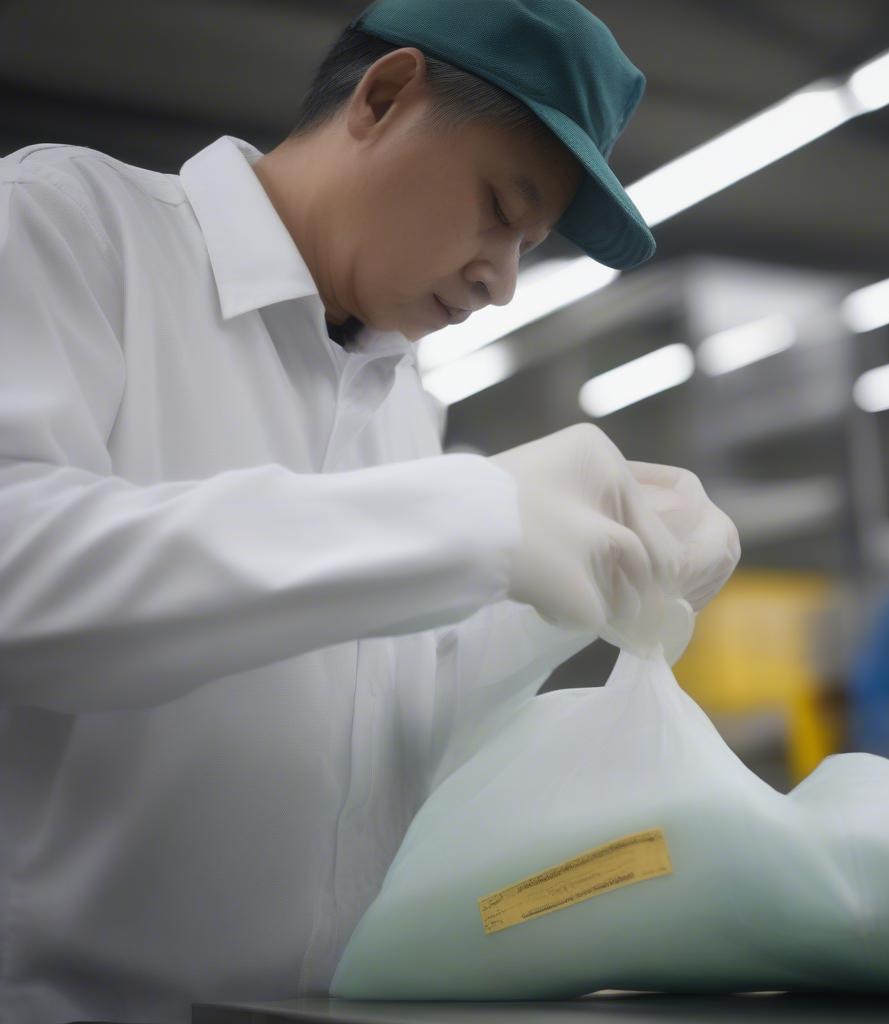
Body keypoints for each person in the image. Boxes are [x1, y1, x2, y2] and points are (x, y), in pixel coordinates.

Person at [0, 0, 739, 1019]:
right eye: (497, 205)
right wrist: (470, 520)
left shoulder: (400, 397)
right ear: (384, 97)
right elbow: (19, 573)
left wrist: (583, 580)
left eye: (528, 242)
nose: (502, 279)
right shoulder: (74, 227)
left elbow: (385, 720)